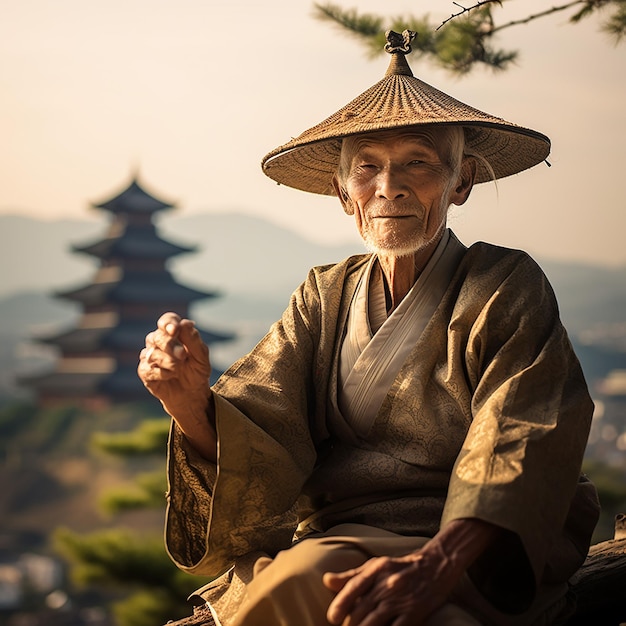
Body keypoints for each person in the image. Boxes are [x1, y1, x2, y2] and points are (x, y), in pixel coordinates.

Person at [138, 30, 600, 626]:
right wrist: (190, 406)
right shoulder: (322, 295)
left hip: (478, 547)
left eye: (418, 164)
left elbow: (523, 435)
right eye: (367, 169)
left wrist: (439, 563)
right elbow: (262, 429)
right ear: (342, 191)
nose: (390, 188)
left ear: (460, 183)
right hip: (340, 535)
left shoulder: (504, 283)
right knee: (313, 577)